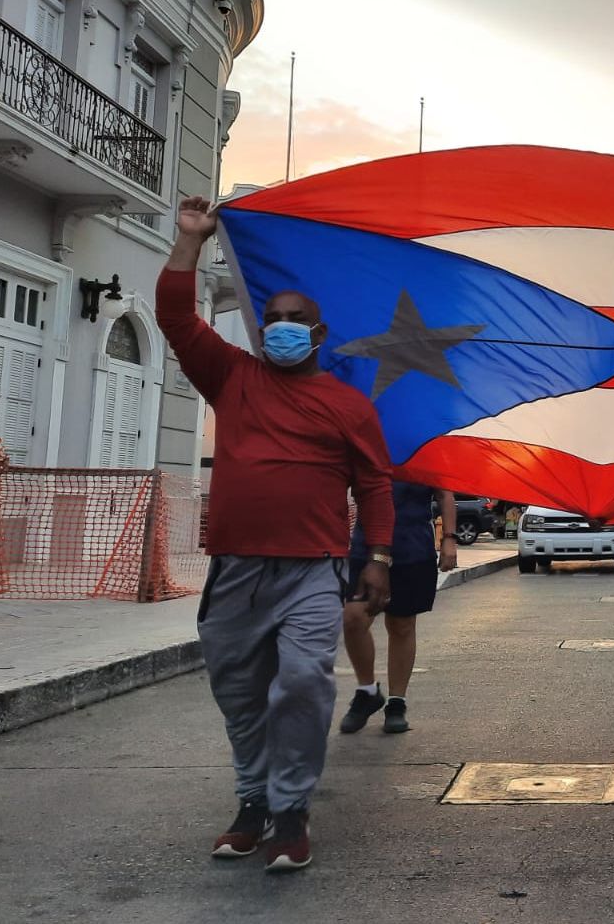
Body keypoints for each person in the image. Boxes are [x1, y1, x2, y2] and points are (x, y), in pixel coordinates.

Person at [158, 196, 395, 873]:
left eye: (297, 321)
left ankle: (291, 811)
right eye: (274, 319)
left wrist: (376, 557)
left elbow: (375, 485)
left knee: (300, 683)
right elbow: (175, 317)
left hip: (311, 573)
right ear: (262, 329)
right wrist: (190, 241)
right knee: (239, 693)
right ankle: (253, 802)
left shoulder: (349, 404)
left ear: (318, 334)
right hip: (235, 571)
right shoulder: (232, 377)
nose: (283, 328)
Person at [340, 483, 456, 734]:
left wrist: (449, 538)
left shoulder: (424, 448)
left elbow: (445, 493)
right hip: (366, 545)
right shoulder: (365, 446)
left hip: (412, 546)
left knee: (401, 624)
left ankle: (396, 702)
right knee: (353, 619)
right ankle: (367, 690)